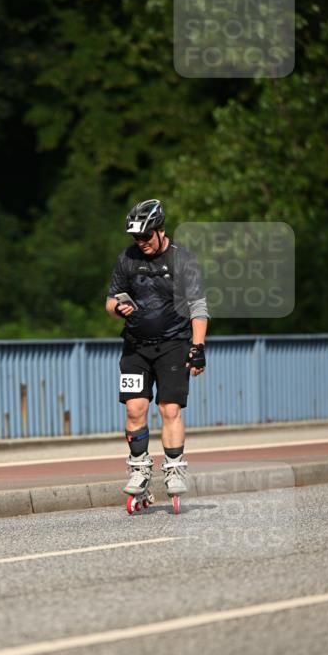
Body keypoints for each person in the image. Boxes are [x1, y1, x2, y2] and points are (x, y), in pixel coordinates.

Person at [105, 198, 209, 504]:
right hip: (135, 347)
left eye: (146, 236)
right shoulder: (127, 258)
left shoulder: (182, 260)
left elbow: (198, 307)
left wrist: (198, 347)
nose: (141, 243)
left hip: (174, 345)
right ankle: (139, 469)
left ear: (161, 230)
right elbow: (110, 302)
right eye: (136, 238)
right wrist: (118, 310)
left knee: (169, 409)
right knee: (134, 408)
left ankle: (174, 469)